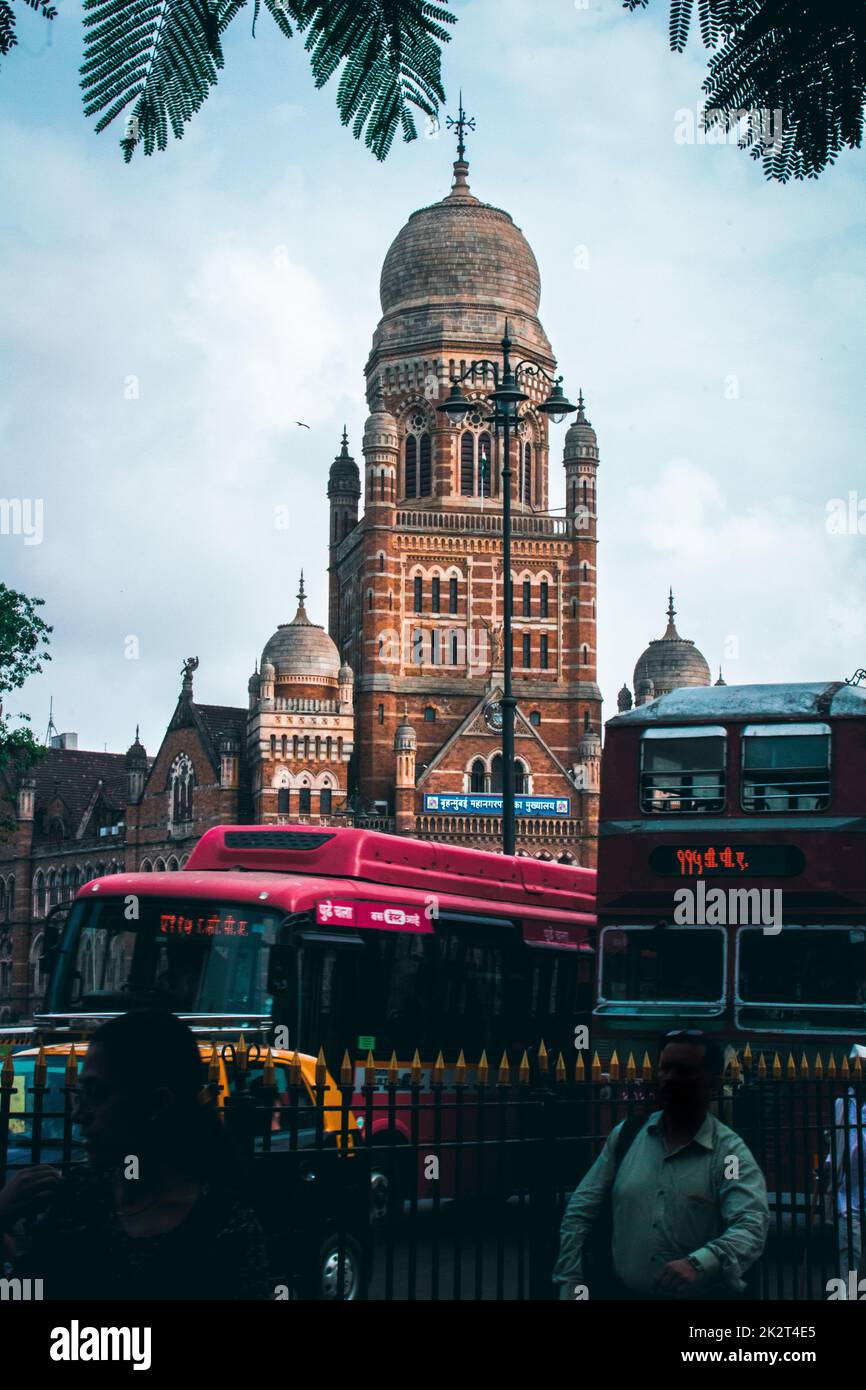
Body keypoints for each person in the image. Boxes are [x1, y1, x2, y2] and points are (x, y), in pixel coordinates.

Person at [0, 1010, 273, 1300]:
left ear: (157, 1104)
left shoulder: (225, 1227)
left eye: (97, 1094)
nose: (78, 1114)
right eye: (80, 1094)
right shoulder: (80, 1197)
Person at [553, 1028, 769, 1300]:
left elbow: (750, 1226)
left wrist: (700, 1263)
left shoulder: (729, 1153)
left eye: (684, 1070)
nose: (669, 1079)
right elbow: (580, 1211)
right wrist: (570, 1282)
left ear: (713, 1084)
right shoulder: (627, 1136)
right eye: (665, 1068)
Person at [826, 1042, 866, 1293]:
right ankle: (850, 1296)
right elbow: (839, 1143)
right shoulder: (843, 1104)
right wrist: (829, 1166)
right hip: (846, 1191)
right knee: (849, 1249)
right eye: (855, 1070)